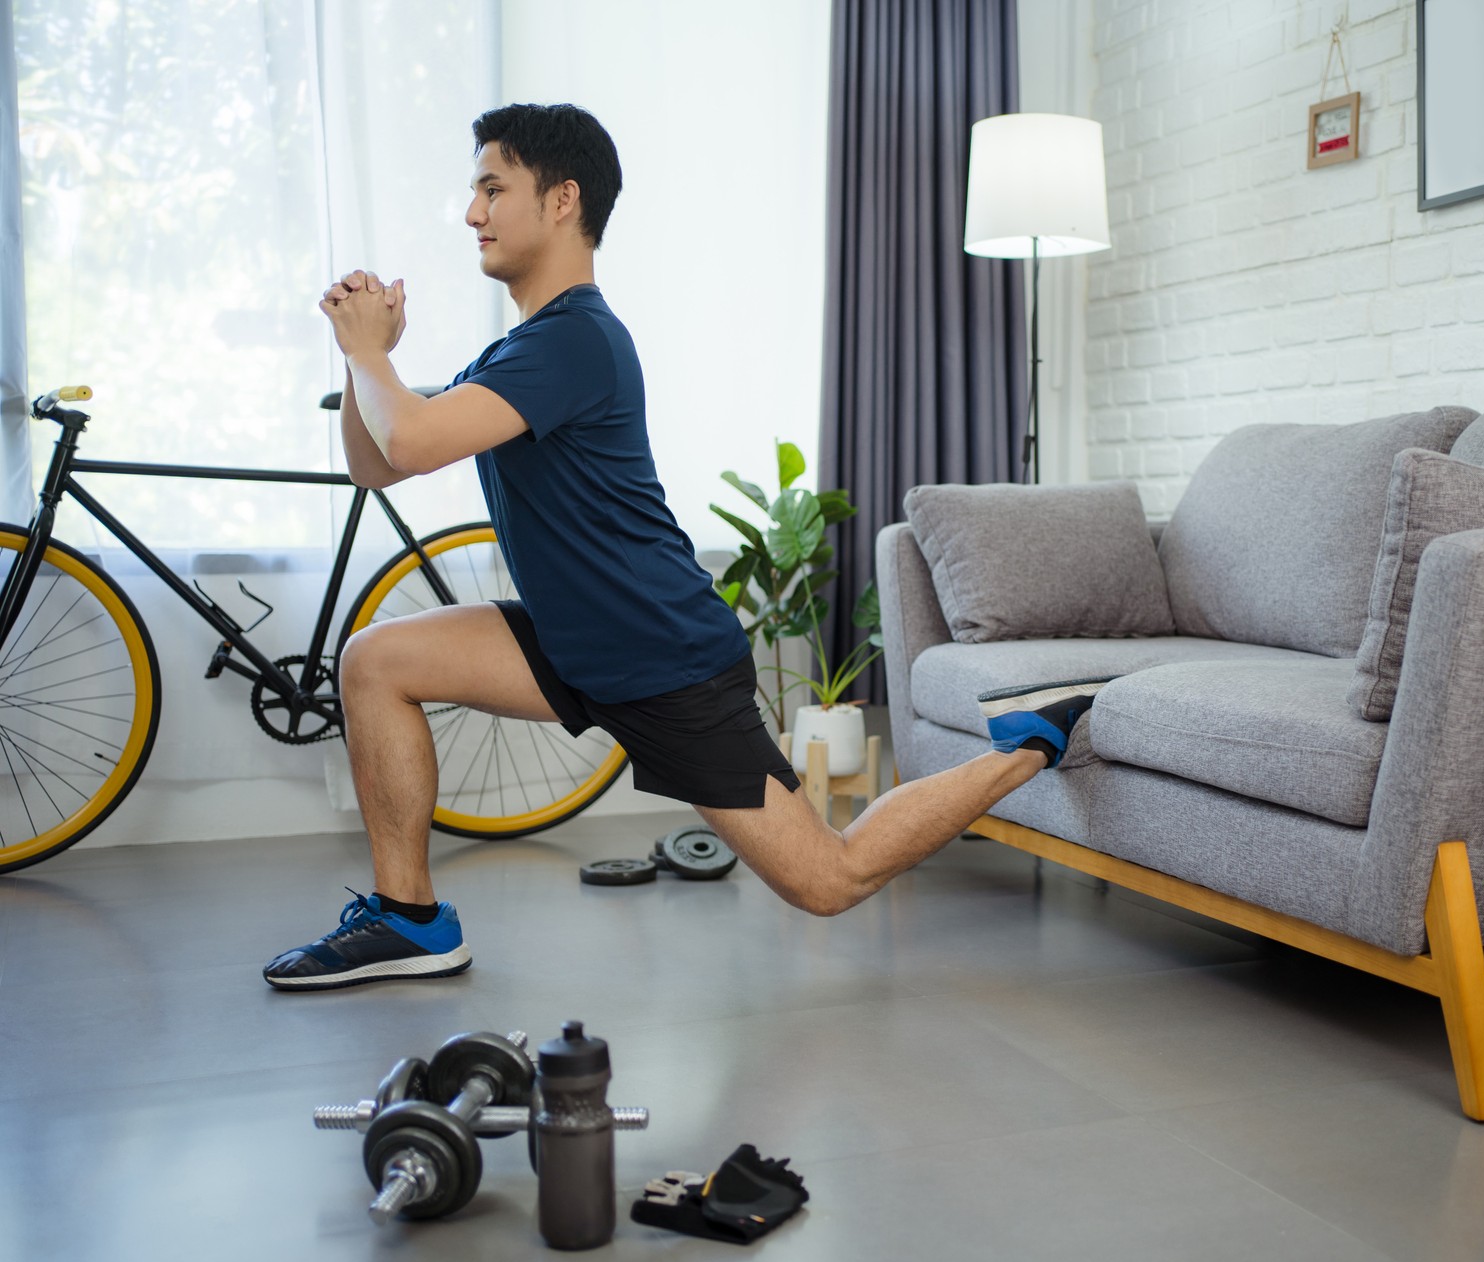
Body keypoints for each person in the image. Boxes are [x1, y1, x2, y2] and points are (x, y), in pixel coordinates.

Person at [264, 103, 1106, 991]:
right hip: (576, 642)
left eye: (491, 187)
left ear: (561, 201)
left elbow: (414, 442)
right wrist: (362, 357)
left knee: (830, 878)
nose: (472, 213)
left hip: (661, 657)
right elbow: (378, 464)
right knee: (375, 662)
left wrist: (372, 355)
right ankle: (410, 920)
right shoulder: (518, 349)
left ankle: (1028, 743)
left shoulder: (577, 337)